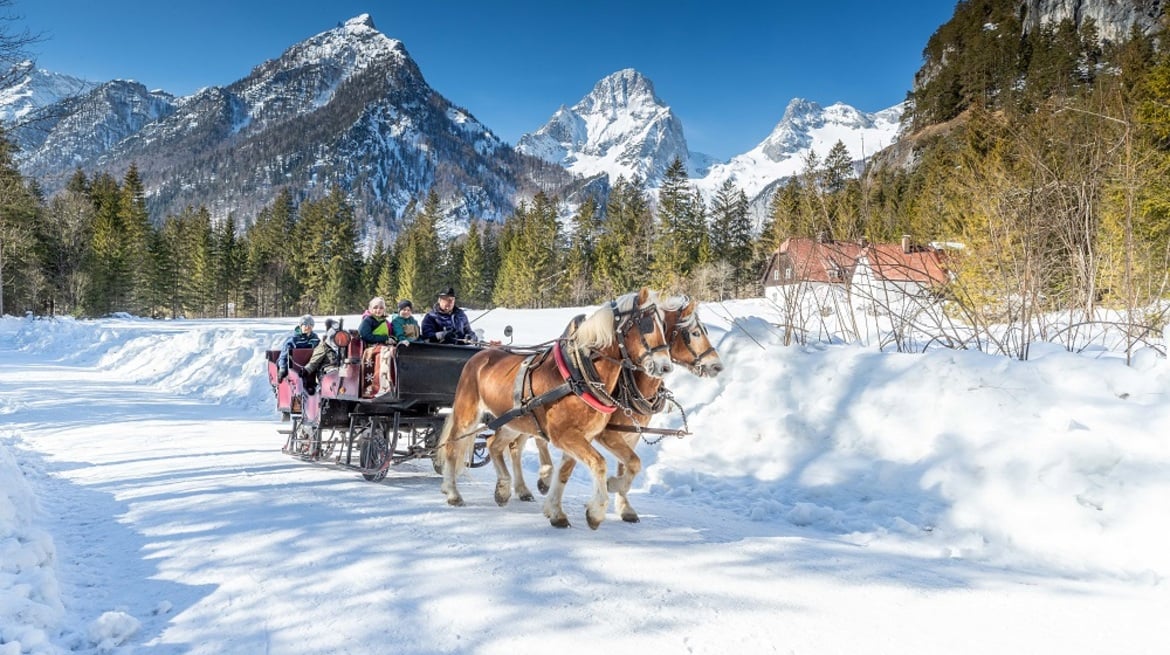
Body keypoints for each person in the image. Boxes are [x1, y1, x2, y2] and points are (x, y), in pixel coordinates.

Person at [359, 296, 396, 396]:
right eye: (375, 307)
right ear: (370, 309)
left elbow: (391, 334)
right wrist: (384, 339)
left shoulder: (386, 322)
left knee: (396, 352)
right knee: (387, 354)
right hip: (371, 348)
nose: (378, 310)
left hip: (385, 346)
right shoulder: (368, 321)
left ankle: (394, 384)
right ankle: (379, 387)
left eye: (381, 307)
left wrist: (392, 339)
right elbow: (365, 335)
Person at [277, 315, 321, 382]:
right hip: (295, 367)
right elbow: (283, 355)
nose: (308, 327)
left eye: (311, 325)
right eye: (305, 324)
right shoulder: (293, 339)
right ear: (300, 326)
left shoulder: (315, 339)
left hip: (310, 366)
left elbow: (320, 351)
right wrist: (282, 368)